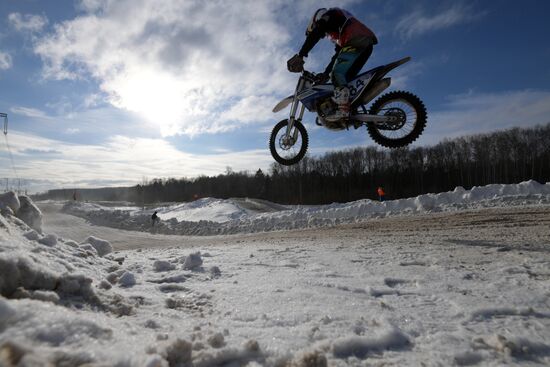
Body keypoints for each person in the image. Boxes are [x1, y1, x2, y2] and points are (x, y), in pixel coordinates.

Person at [287, 8, 378, 122]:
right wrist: (325, 74)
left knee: (337, 74)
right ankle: (352, 109)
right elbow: (337, 56)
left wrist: (301, 55)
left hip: (357, 39)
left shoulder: (329, 15)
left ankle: (344, 110)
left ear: (316, 20)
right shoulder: (338, 28)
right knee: (345, 80)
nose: (324, 35)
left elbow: (317, 32)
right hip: (365, 44)